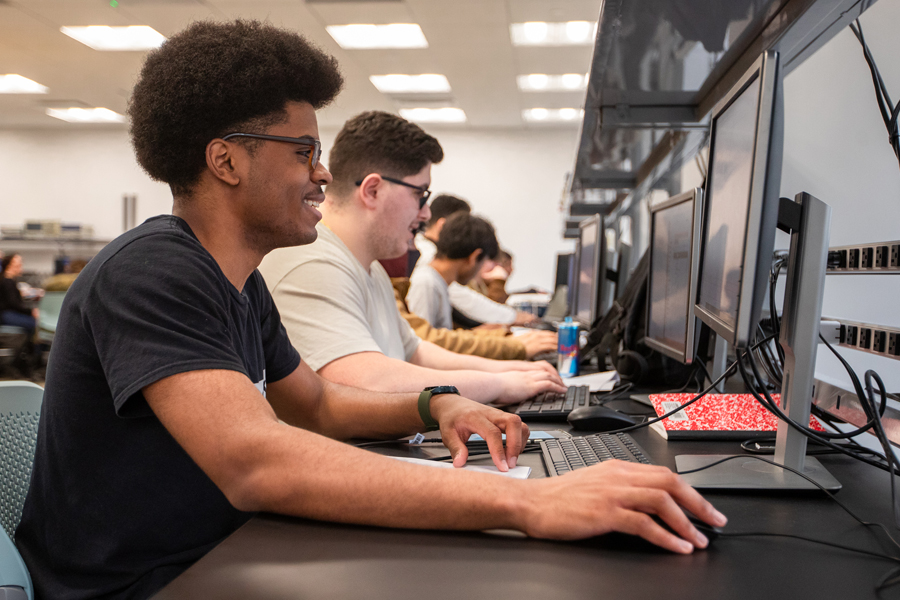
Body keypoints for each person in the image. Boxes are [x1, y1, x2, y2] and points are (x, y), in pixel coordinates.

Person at [16, 20, 725, 600]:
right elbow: (257, 464)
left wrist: (437, 407)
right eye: (304, 151)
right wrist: (530, 504)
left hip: (215, 555)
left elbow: (317, 404)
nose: (324, 172)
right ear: (227, 162)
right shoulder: (153, 271)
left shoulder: (237, 281)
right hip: (139, 586)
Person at [258, 111, 564, 405]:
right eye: (420, 194)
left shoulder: (371, 269)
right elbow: (365, 381)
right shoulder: (311, 262)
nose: (427, 213)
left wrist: (507, 370)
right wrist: (499, 385)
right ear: (373, 190)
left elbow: (415, 351)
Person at [381, 253, 557, 360]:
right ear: (474, 257)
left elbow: (431, 339)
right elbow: (427, 342)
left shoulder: (386, 282)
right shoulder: (426, 282)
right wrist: (513, 346)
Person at [414, 195, 538, 327]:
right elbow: (426, 339)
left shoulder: (437, 278)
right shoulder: (427, 273)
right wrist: (510, 317)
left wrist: (478, 334)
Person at [408, 212, 500, 330]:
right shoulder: (426, 283)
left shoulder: (438, 282)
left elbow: (440, 337)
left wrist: (480, 332)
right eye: (482, 263)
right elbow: (423, 340)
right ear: (474, 257)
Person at [0, 253, 38, 334]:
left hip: (7, 314)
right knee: (34, 324)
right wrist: (31, 311)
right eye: (19, 265)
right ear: (11, 266)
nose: (21, 267)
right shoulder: (7, 282)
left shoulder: (6, 280)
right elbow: (14, 304)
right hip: (6, 315)